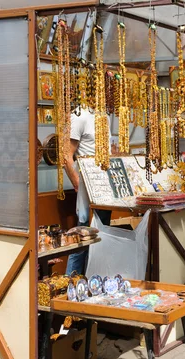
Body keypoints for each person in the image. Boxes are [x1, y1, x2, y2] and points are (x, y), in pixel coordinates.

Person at [64, 110, 112, 275]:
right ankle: (71, 281)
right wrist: (77, 182)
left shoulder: (104, 115)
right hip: (87, 185)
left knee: (103, 234)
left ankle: (96, 279)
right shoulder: (79, 116)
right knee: (82, 234)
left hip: (105, 186)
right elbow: (66, 155)